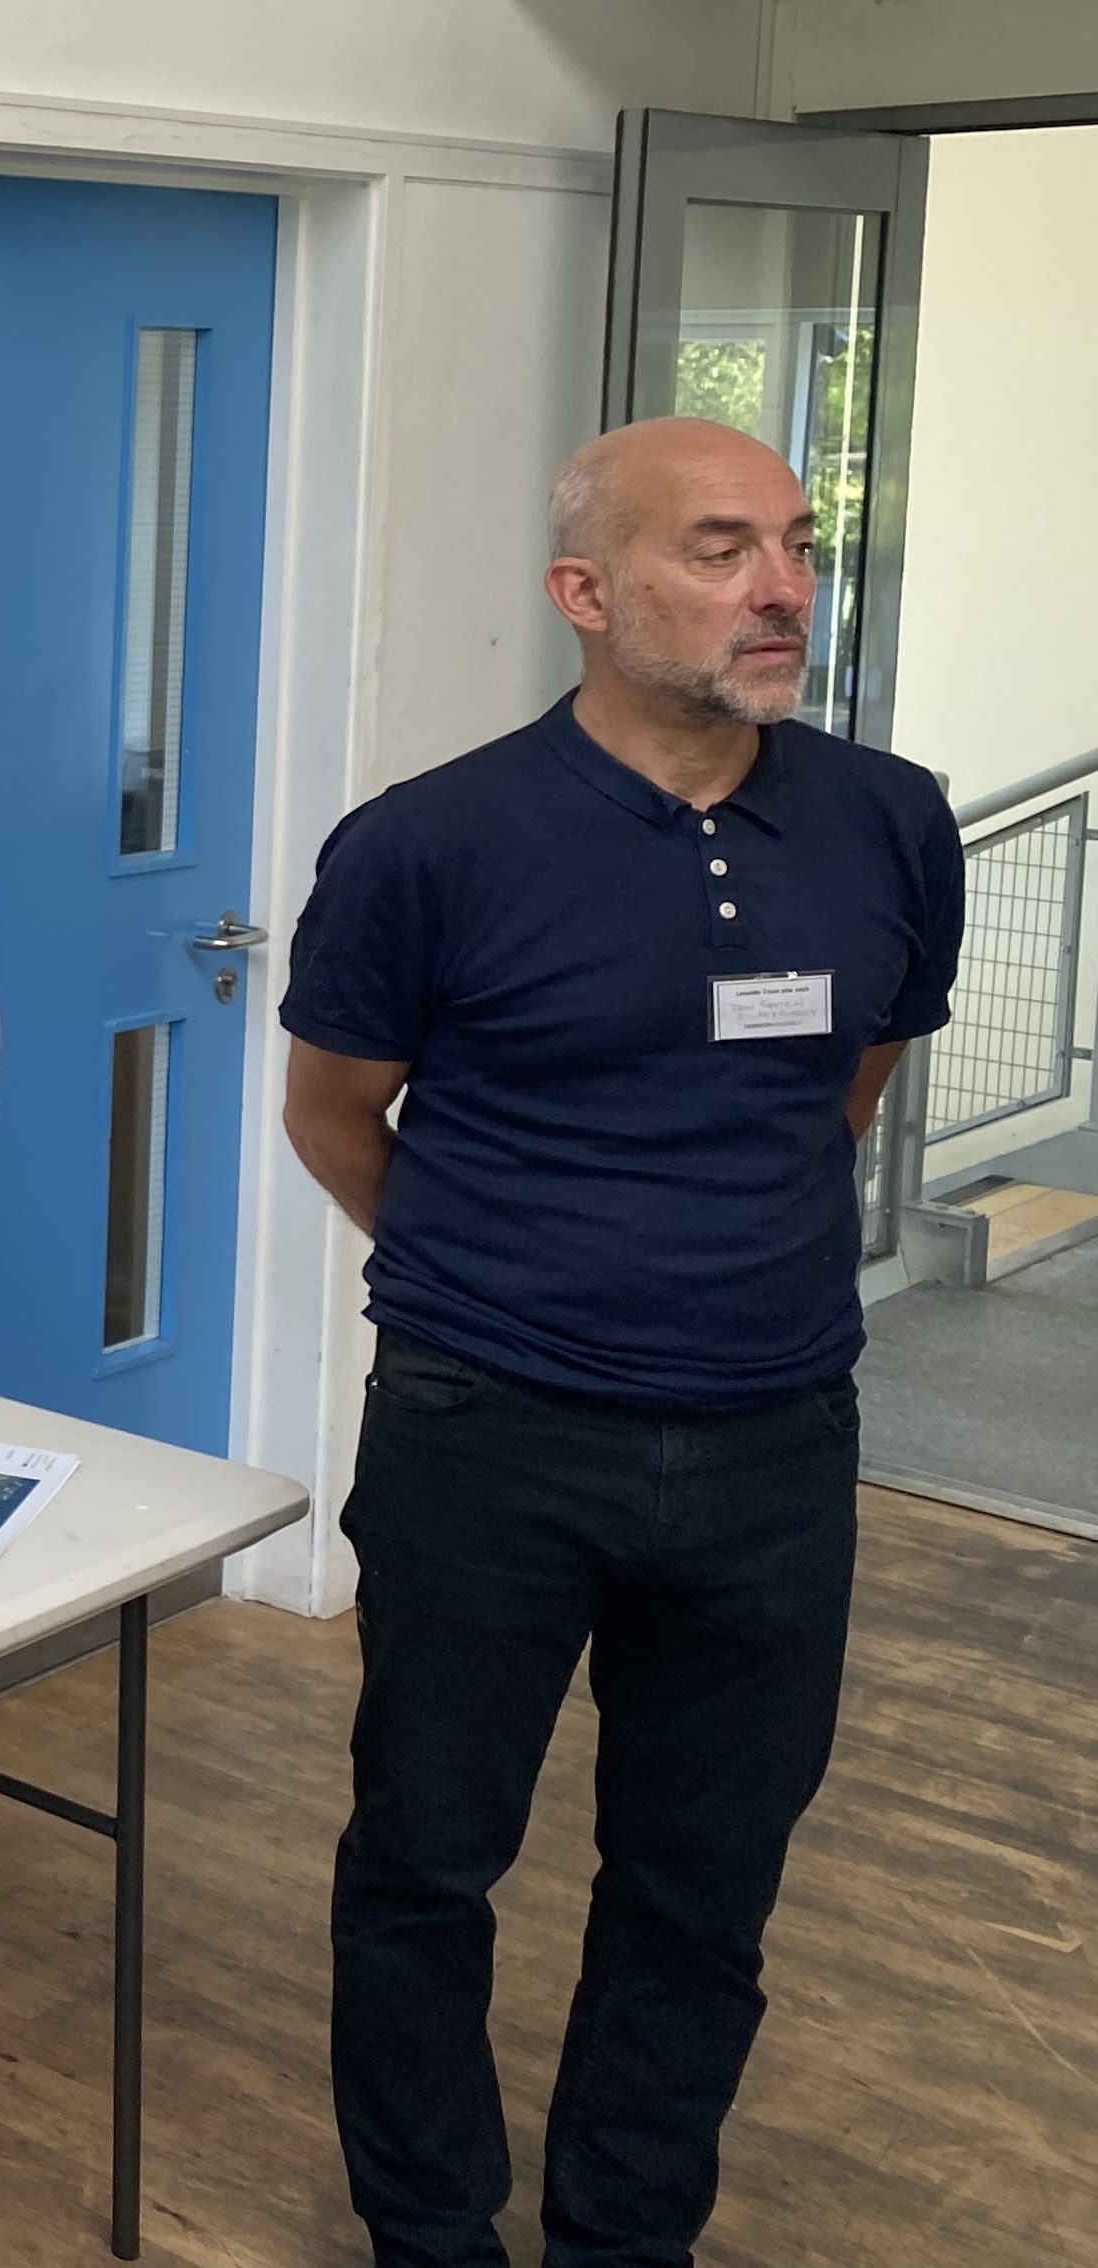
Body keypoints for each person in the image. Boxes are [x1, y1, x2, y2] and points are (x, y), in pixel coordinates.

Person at [279, 417, 964, 2268]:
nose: (785, 589)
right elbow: (339, 1113)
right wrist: (513, 1278)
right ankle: (431, 2235)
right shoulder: (429, 844)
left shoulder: (890, 816)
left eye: (800, 545)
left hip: (770, 1452)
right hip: (487, 1441)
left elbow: (845, 1079)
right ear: (585, 593)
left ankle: (624, 2237)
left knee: (701, 1893)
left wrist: (702, 1248)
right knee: (427, 1867)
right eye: (723, 547)